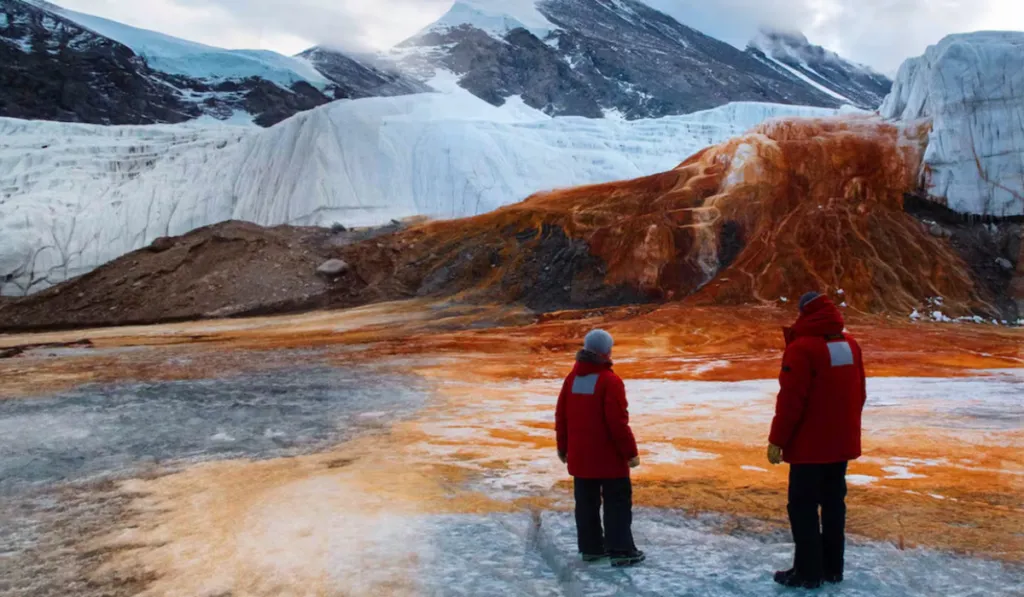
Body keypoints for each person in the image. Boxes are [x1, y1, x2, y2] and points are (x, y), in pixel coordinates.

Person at [767, 292, 867, 589]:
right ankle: (832, 568)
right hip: (840, 445)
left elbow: (791, 402)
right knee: (834, 505)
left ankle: (808, 573)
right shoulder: (850, 345)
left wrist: (777, 440)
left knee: (802, 507)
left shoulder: (802, 349)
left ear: (804, 313)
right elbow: (859, 394)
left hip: (809, 449)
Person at [555, 329, 645, 567]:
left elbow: (561, 416)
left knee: (586, 504)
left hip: (581, 458)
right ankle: (622, 550)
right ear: (606, 351)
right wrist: (630, 453)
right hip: (608, 459)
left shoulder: (571, 379)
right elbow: (617, 422)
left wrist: (563, 448)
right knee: (617, 502)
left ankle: (592, 548)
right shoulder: (609, 381)